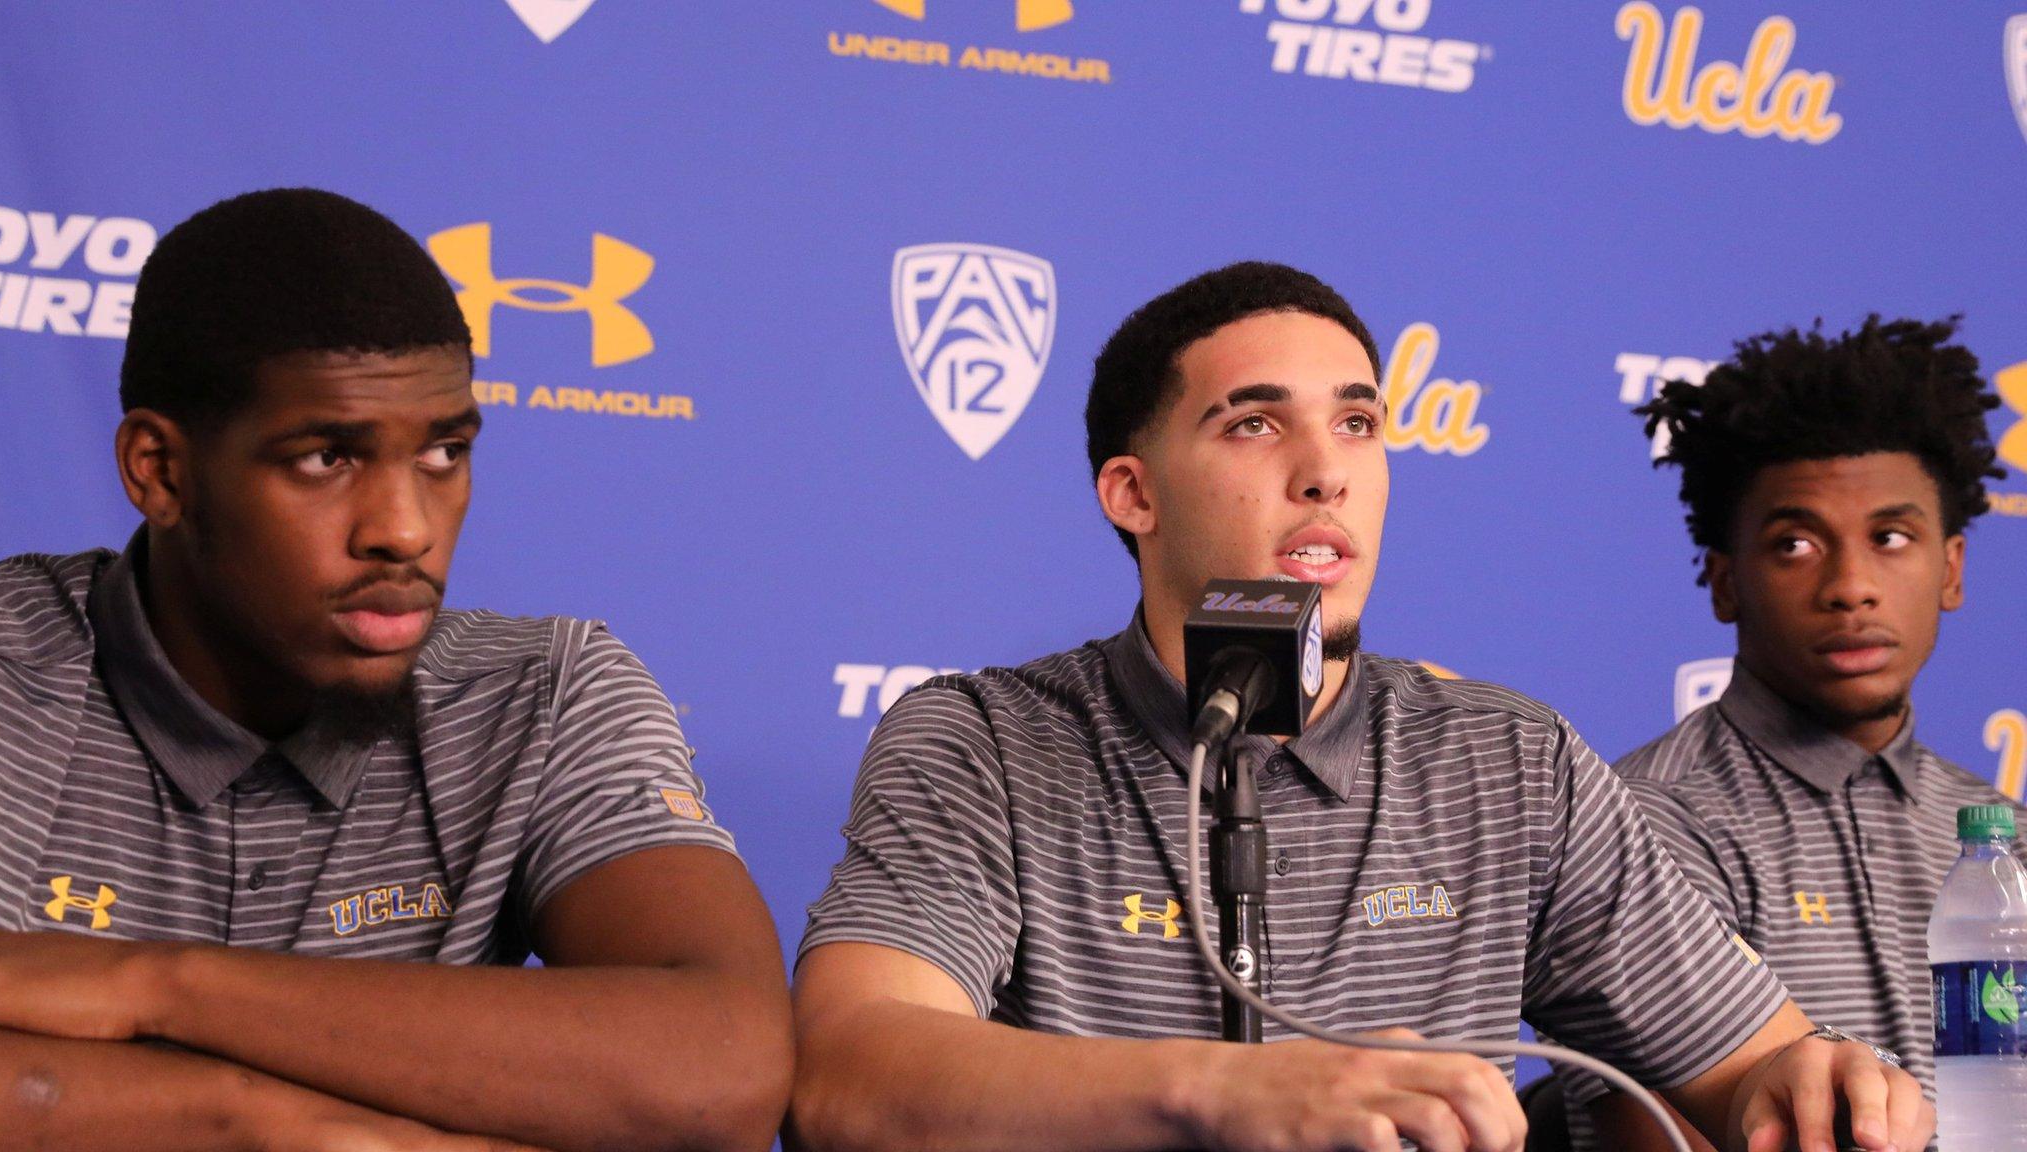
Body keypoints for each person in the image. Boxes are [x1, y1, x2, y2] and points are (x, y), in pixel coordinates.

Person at [788, 262, 1933, 1152]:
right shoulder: (983, 742)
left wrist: (1804, 1084)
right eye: (1252, 423)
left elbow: (1747, 1071)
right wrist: (1225, 1096)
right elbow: (852, 1077)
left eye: (1355, 422)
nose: (1323, 470)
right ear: (1130, 493)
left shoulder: (1507, 759)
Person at [0, 188, 791, 1152]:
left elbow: (719, 1072)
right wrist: (271, 1127)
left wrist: (154, 984)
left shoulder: (542, 693)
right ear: (160, 470)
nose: (405, 531)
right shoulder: (3, 672)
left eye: (445, 451)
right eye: (327, 458)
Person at [1555, 316, 2022, 1151]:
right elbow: (1657, 1137)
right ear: (1726, 583)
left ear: (1950, 568)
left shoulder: (1999, 835)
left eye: (1889, 538)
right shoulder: (1633, 825)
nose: (1851, 587)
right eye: (1796, 544)